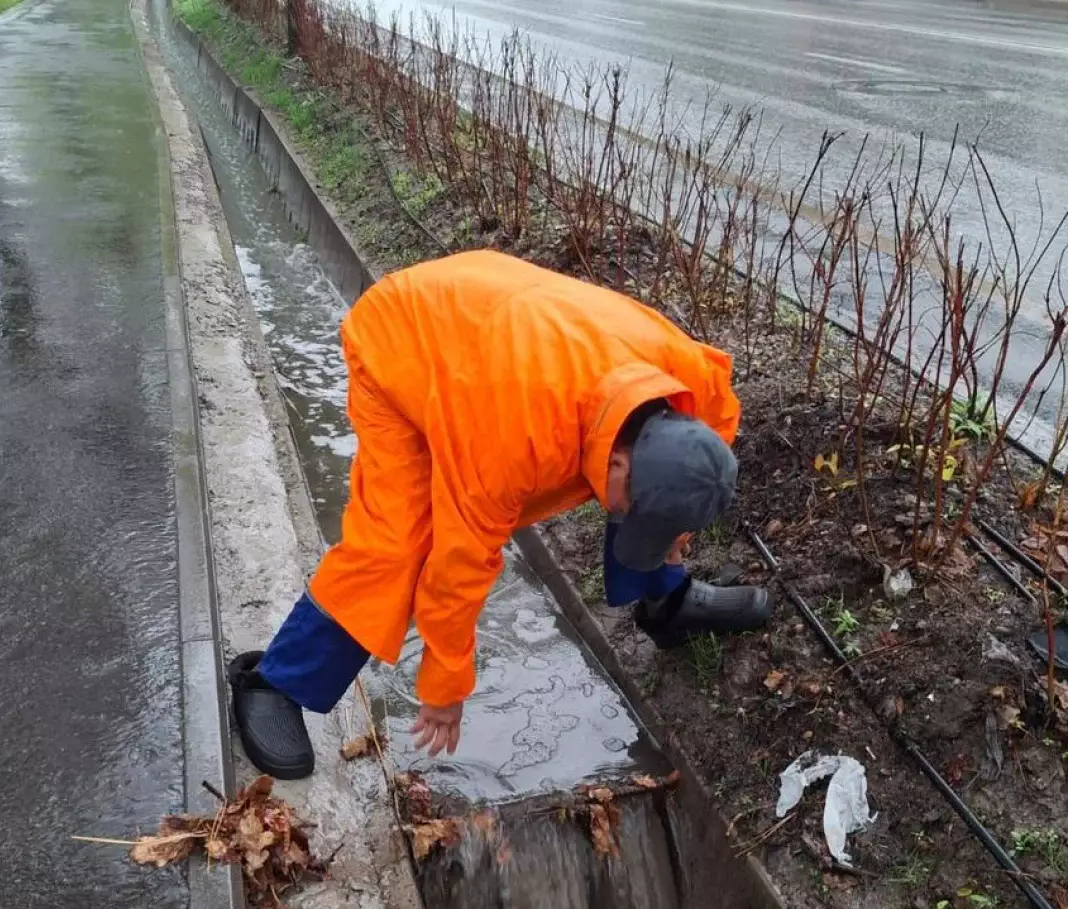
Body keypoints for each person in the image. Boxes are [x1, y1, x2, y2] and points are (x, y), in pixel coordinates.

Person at [228, 250, 772, 779]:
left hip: (503, 320)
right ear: (621, 461)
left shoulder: (690, 385)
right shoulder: (512, 440)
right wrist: (444, 692)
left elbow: (707, 441)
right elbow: (459, 563)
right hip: (405, 338)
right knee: (396, 545)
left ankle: (668, 605)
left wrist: (672, 525)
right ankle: (276, 684)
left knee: (650, 495)